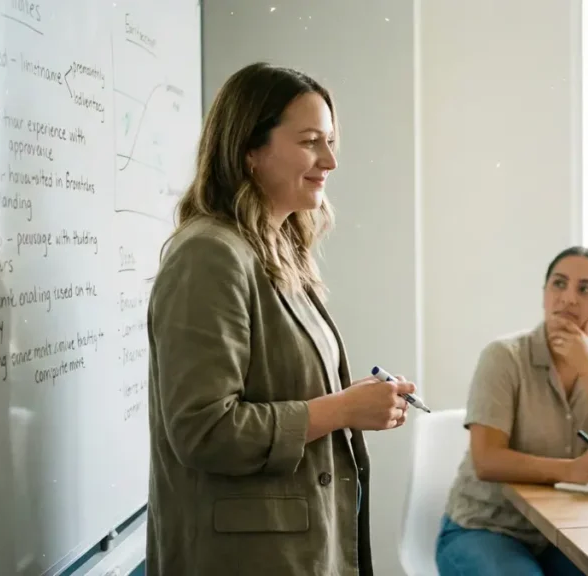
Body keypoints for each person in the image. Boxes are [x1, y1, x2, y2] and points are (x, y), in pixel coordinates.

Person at [145, 63, 417, 576]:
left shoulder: (275, 248)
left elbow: (282, 390)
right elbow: (205, 429)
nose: (331, 161)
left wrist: (353, 402)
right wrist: (340, 410)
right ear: (250, 149)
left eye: (330, 140)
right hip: (244, 558)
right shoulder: (209, 255)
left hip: (294, 549)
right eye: (311, 141)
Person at [436, 247, 588, 576]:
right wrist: (571, 470)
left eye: (585, 289)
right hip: (486, 529)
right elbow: (487, 460)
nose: (568, 299)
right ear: (545, 295)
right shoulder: (504, 357)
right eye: (558, 284)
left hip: (567, 536)